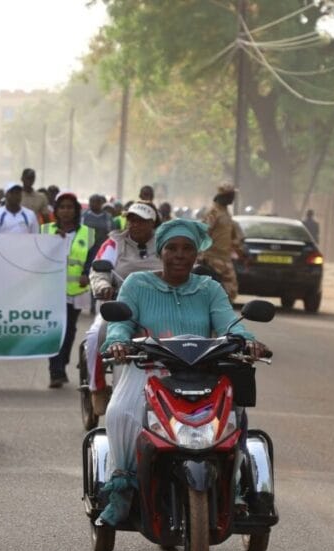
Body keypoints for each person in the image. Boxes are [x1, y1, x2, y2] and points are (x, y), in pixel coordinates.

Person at [97, 219, 270, 526]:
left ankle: (234, 488)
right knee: (120, 412)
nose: (179, 255)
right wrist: (118, 342)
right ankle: (122, 487)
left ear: (196, 253)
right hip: (149, 370)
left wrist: (248, 341)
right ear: (161, 251)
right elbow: (121, 323)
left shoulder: (209, 288)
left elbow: (229, 324)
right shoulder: (136, 284)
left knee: (235, 415)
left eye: (187, 248)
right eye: (172, 248)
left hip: (203, 372)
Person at [83, 200, 161, 411]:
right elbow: (98, 271)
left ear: (153, 223)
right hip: (119, 306)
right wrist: (103, 286)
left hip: (162, 305)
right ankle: (97, 389)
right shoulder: (114, 243)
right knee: (96, 336)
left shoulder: (166, 243)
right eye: (131, 220)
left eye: (141, 221)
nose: (135, 224)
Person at [40, 192, 95, 388]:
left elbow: (92, 258)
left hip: (75, 290)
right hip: (51, 290)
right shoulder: (45, 230)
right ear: (56, 210)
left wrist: (87, 273)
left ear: (76, 210)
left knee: (70, 329)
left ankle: (62, 364)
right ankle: (55, 371)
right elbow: (35, 254)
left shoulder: (87, 233)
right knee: (54, 329)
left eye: (69, 207)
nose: (65, 211)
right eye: (62, 207)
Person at [198, 181, 244, 302]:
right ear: (224, 196)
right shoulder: (213, 212)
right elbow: (204, 233)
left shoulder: (225, 212)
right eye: (231, 195)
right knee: (217, 291)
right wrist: (202, 255)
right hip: (213, 258)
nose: (233, 198)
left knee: (231, 291)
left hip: (225, 258)